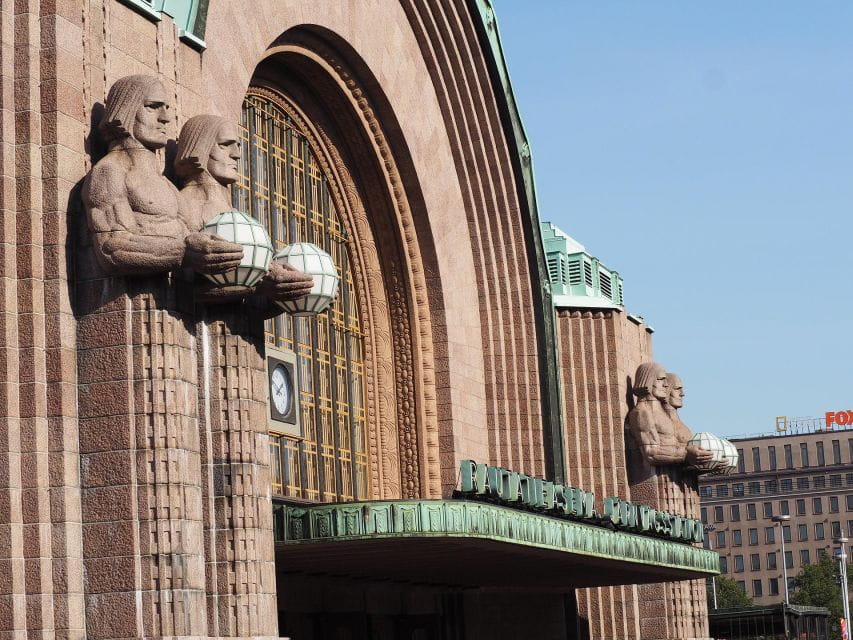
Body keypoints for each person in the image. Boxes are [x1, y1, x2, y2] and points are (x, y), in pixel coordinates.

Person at [82, 75, 242, 278]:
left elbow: (192, 249)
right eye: (152, 106)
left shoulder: (167, 185)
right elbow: (111, 247)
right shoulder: (110, 170)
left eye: (167, 108)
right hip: (136, 302)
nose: (165, 117)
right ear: (126, 109)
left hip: (172, 301)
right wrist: (184, 252)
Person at [174, 113, 313, 303]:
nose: (237, 154)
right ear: (200, 146)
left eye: (238, 145)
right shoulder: (184, 203)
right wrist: (259, 287)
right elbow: (182, 289)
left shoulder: (233, 213)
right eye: (225, 145)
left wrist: (291, 292)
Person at [628, 362, 713, 467]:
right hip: (657, 479)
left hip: (673, 477)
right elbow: (651, 452)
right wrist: (686, 454)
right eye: (660, 379)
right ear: (647, 380)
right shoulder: (642, 412)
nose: (665, 384)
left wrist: (711, 461)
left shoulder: (663, 414)